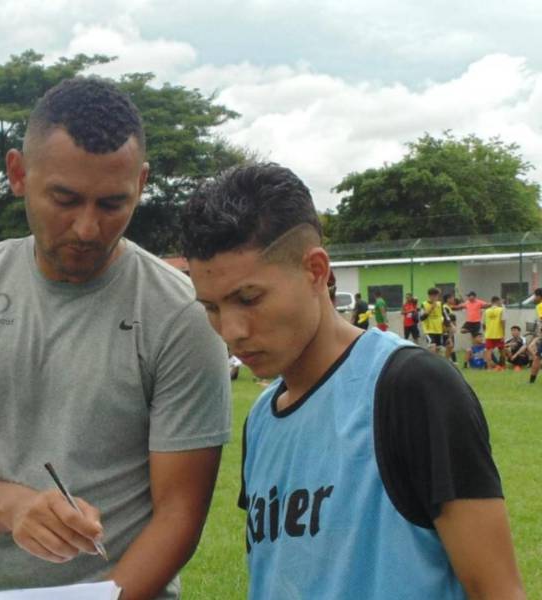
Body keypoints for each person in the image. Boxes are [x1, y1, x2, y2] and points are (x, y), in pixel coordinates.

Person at [0, 77, 231, 599]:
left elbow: (180, 514)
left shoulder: (180, 313)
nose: (87, 228)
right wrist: (15, 507)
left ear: (141, 182)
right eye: (64, 199)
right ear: (18, 173)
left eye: (112, 204)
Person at [180, 163, 524, 599]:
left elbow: (498, 590)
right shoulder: (262, 419)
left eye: (248, 299)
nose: (231, 330)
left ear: (315, 270)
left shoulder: (411, 388)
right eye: (211, 308)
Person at [420, 288, 445, 354]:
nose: (436, 298)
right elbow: (422, 318)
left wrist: (451, 325)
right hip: (429, 330)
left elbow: (445, 315)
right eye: (434, 296)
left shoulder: (440, 304)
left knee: (439, 349)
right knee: (432, 347)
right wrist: (431, 308)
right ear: (430, 296)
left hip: (438, 330)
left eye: (437, 296)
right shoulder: (424, 304)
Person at [528, 288, 542, 383]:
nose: (534, 298)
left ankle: (531, 381)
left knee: (537, 358)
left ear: (539, 296)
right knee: (537, 357)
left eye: (535, 296)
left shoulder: (540, 306)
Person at [442, 293, 459, 365]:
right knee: (449, 345)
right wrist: (451, 327)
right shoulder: (445, 307)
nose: (453, 299)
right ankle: (451, 361)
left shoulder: (449, 307)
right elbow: (446, 319)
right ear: (448, 299)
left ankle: (450, 361)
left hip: (450, 330)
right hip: (446, 330)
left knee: (450, 346)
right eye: (452, 298)